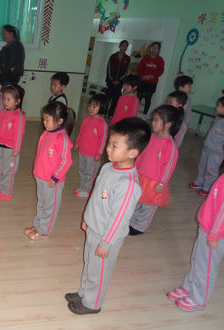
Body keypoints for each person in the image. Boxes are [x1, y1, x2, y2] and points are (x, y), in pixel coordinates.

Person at [66, 117, 151, 314]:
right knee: (89, 263)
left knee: (99, 271)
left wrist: (106, 242)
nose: (108, 149)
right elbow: (97, 197)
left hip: (107, 236)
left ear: (132, 153)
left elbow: (120, 218)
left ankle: (92, 303)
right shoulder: (108, 167)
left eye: (114, 146)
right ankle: (84, 293)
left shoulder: (128, 185)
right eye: (109, 143)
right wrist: (87, 218)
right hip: (95, 227)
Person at [167, 173, 224, 311]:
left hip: (215, 233)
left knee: (206, 267)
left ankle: (198, 299)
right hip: (207, 226)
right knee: (197, 260)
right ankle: (189, 287)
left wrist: (214, 235)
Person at [129, 105, 182, 235]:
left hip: (155, 182)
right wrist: (134, 168)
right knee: (137, 200)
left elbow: (168, 167)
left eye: (157, 120)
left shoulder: (170, 146)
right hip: (141, 176)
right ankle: (131, 222)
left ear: (168, 124)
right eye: (153, 119)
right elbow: (142, 154)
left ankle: (139, 227)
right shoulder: (151, 137)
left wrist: (162, 183)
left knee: (148, 206)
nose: (153, 122)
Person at [25, 101, 73, 240]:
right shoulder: (46, 133)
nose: (44, 122)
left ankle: (45, 231)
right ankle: (38, 225)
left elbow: (67, 161)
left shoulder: (62, 138)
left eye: (47, 120)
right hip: (41, 176)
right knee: (41, 203)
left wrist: (55, 177)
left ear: (59, 121)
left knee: (49, 207)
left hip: (53, 181)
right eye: (43, 119)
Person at [0, 84, 26, 200]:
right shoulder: (3, 112)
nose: (5, 102)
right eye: (4, 99)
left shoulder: (19, 116)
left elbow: (19, 134)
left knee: (8, 171)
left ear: (17, 101)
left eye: (8, 99)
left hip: (11, 149)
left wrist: (17, 149)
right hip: (0, 145)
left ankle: (7, 192)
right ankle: (1, 188)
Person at [74, 94, 109, 197]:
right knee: (82, 170)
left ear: (102, 107)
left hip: (93, 154)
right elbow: (81, 132)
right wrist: (77, 143)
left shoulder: (102, 124)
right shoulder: (87, 119)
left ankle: (88, 190)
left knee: (90, 172)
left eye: (94, 106)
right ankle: (82, 186)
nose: (90, 108)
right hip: (83, 151)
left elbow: (103, 141)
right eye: (90, 105)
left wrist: (99, 153)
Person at [189, 96, 224, 197]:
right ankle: (199, 182)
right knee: (202, 166)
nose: (216, 108)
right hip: (208, 147)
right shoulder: (218, 118)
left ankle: (208, 187)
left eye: (218, 106)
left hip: (217, 151)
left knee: (211, 170)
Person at [137, 42, 164, 115]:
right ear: (150, 48)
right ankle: (134, 112)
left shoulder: (160, 60)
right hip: (142, 81)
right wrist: (142, 76)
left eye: (157, 48)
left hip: (152, 82)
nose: (154, 49)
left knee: (148, 99)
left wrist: (152, 76)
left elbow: (160, 71)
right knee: (138, 97)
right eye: (153, 47)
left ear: (158, 50)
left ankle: (144, 115)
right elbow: (139, 68)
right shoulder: (145, 58)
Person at [105, 40, 131, 116]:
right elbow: (108, 68)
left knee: (115, 100)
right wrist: (112, 80)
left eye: (126, 46)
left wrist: (119, 81)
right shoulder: (113, 56)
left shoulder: (127, 59)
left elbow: (126, 71)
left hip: (120, 83)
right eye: (123, 45)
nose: (124, 47)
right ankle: (104, 113)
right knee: (107, 98)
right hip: (110, 81)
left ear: (126, 48)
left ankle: (110, 114)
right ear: (120, 46)